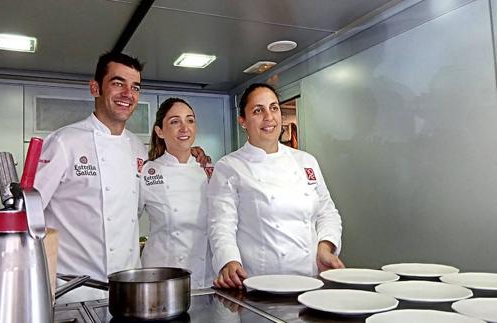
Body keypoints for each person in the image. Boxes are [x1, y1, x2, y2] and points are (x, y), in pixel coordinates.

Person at [34, 52, 208, 301]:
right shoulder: (64, 142)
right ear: (95, 88)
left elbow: (134, 210)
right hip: (73, 289)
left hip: (127, 288)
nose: (128, 93)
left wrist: (194, 154)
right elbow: (29, 215)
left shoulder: (137, 149)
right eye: (118, 83)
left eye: (135, 87)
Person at [208, 83, 345, 289]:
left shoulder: (306, 161)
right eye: (258, 110)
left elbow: (328, 213)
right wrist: (229, 261)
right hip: (261, 285)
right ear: (242, 121)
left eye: (274, 108)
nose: (268, 117)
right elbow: (222, 224)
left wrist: (325, 247)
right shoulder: (230, 166)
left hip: (312, 281)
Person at [139, 98, 214, 289]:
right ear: (160, 131)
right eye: (174, 121)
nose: (184, 128)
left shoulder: (210, 170)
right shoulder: (147, 171)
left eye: (190, 120)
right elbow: (127, 223)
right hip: (161, 277)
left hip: (206, 278)